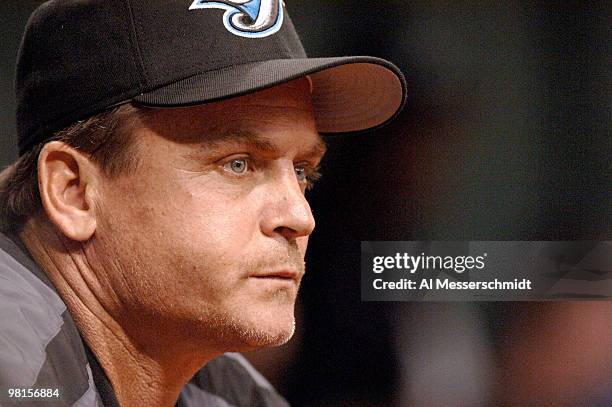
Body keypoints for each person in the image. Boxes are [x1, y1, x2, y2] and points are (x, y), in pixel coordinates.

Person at [0, 1, 405, 406]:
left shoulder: (220, 390)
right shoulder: (15, 367)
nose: (300, 217)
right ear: (73, 192)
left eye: (302, 171)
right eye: (238, 164)